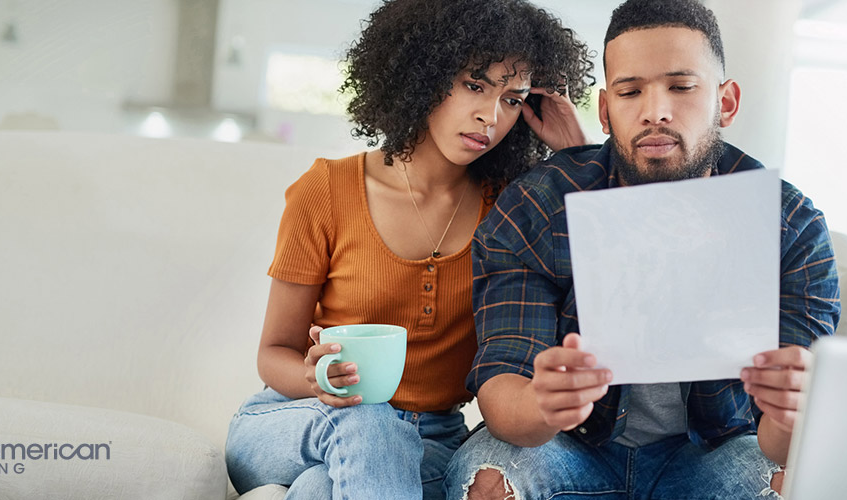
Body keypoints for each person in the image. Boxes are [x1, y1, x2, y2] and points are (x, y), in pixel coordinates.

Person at [443, 1, 840, 498]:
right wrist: (543, 403)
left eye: (681, 86)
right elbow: (504, 388)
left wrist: (790, 411)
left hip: (714, 451)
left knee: (788, 484)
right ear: (606, 111)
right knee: (488, 479)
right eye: (631, 92)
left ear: (727, 103)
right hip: (572, 447)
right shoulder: (538, 204)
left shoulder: (791, 226)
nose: (655, 111)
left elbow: (783, 444)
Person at [224, 0, 596, 498]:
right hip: (297, 419)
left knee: (318, 490)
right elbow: (274, 353)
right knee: (368, 418)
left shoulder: (511, 207)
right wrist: (316, 379)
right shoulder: (326, 190)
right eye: (474, 85)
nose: (489, 115)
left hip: (431, 440)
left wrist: (576, 157)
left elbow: (602, 274)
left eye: (513, 99)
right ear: (421, 73)